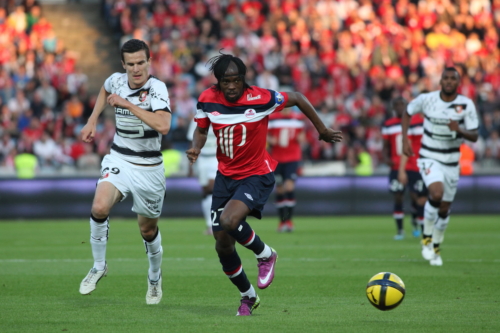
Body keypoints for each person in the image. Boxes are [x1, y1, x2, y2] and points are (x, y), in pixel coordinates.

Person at [186, 53, 342, 316]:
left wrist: (322, 129)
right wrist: (195, 147)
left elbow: (297, 97)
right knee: (222, 244)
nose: (233, 86)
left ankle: (265, 254)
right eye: (227, 81)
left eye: (237, 80)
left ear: (244, 79)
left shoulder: (262, 98)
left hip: (256, 174)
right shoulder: (206, 99)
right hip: (226, 177)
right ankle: (248, 297)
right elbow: (201, 130)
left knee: (229, 221)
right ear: (218, 82)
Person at [79, 39, 172, 304]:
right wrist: (92, 119)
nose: (136, 69)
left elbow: (164, 125)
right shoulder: (116, 81)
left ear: (149, 61)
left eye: (140, 62)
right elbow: (104, 89)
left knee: (147, 230)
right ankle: (99, 266)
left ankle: (154, 276)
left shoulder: (157, 89)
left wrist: (128, 105)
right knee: (99, 207)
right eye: (130, 64)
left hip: (150, 167)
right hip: (120, 157)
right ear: (123, 65)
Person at [402, 67, 479, 266]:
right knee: (436, 194)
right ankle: (426, 237)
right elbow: (407, 111)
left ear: (458, 82)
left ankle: (435, 246)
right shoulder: (427, 99)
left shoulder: (466, 104)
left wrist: (458, 129)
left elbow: (475, 135)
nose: (448, 81)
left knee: (444, 208)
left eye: (453, 79)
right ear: (440, 81)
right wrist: (405, 139)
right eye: (445, 78)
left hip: (452, 161)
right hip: (429, 156)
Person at [382, 97, 427, 240]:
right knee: (398, 196)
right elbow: (385, 146)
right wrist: (386, 159)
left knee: (416, 197)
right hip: (397, 165)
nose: (400, 108)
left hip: (413, 165)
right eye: (397, 105)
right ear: (393, 107)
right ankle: (400, 230)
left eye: (403, 105)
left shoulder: (415, 123)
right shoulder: (388, 125)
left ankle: (415, 223)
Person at [267, 107, 306, 232]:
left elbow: (302, 136)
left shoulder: (298, 118)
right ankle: (281, 221)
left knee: (289, 187)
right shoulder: (272, 119)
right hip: (277, 159)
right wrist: (269, 140)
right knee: (279, 190)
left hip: (292, 158)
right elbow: (263, 135)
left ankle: (288, 221)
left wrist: (301, 138)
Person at [187, 119, 218, 235]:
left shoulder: (220, 115)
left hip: (216, 157)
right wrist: (190, 164)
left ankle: (216, 224)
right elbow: (191, 140)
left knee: (212, 188)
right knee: (205, 191)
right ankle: (210, 224)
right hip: (202, 158)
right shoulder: (196, 119)